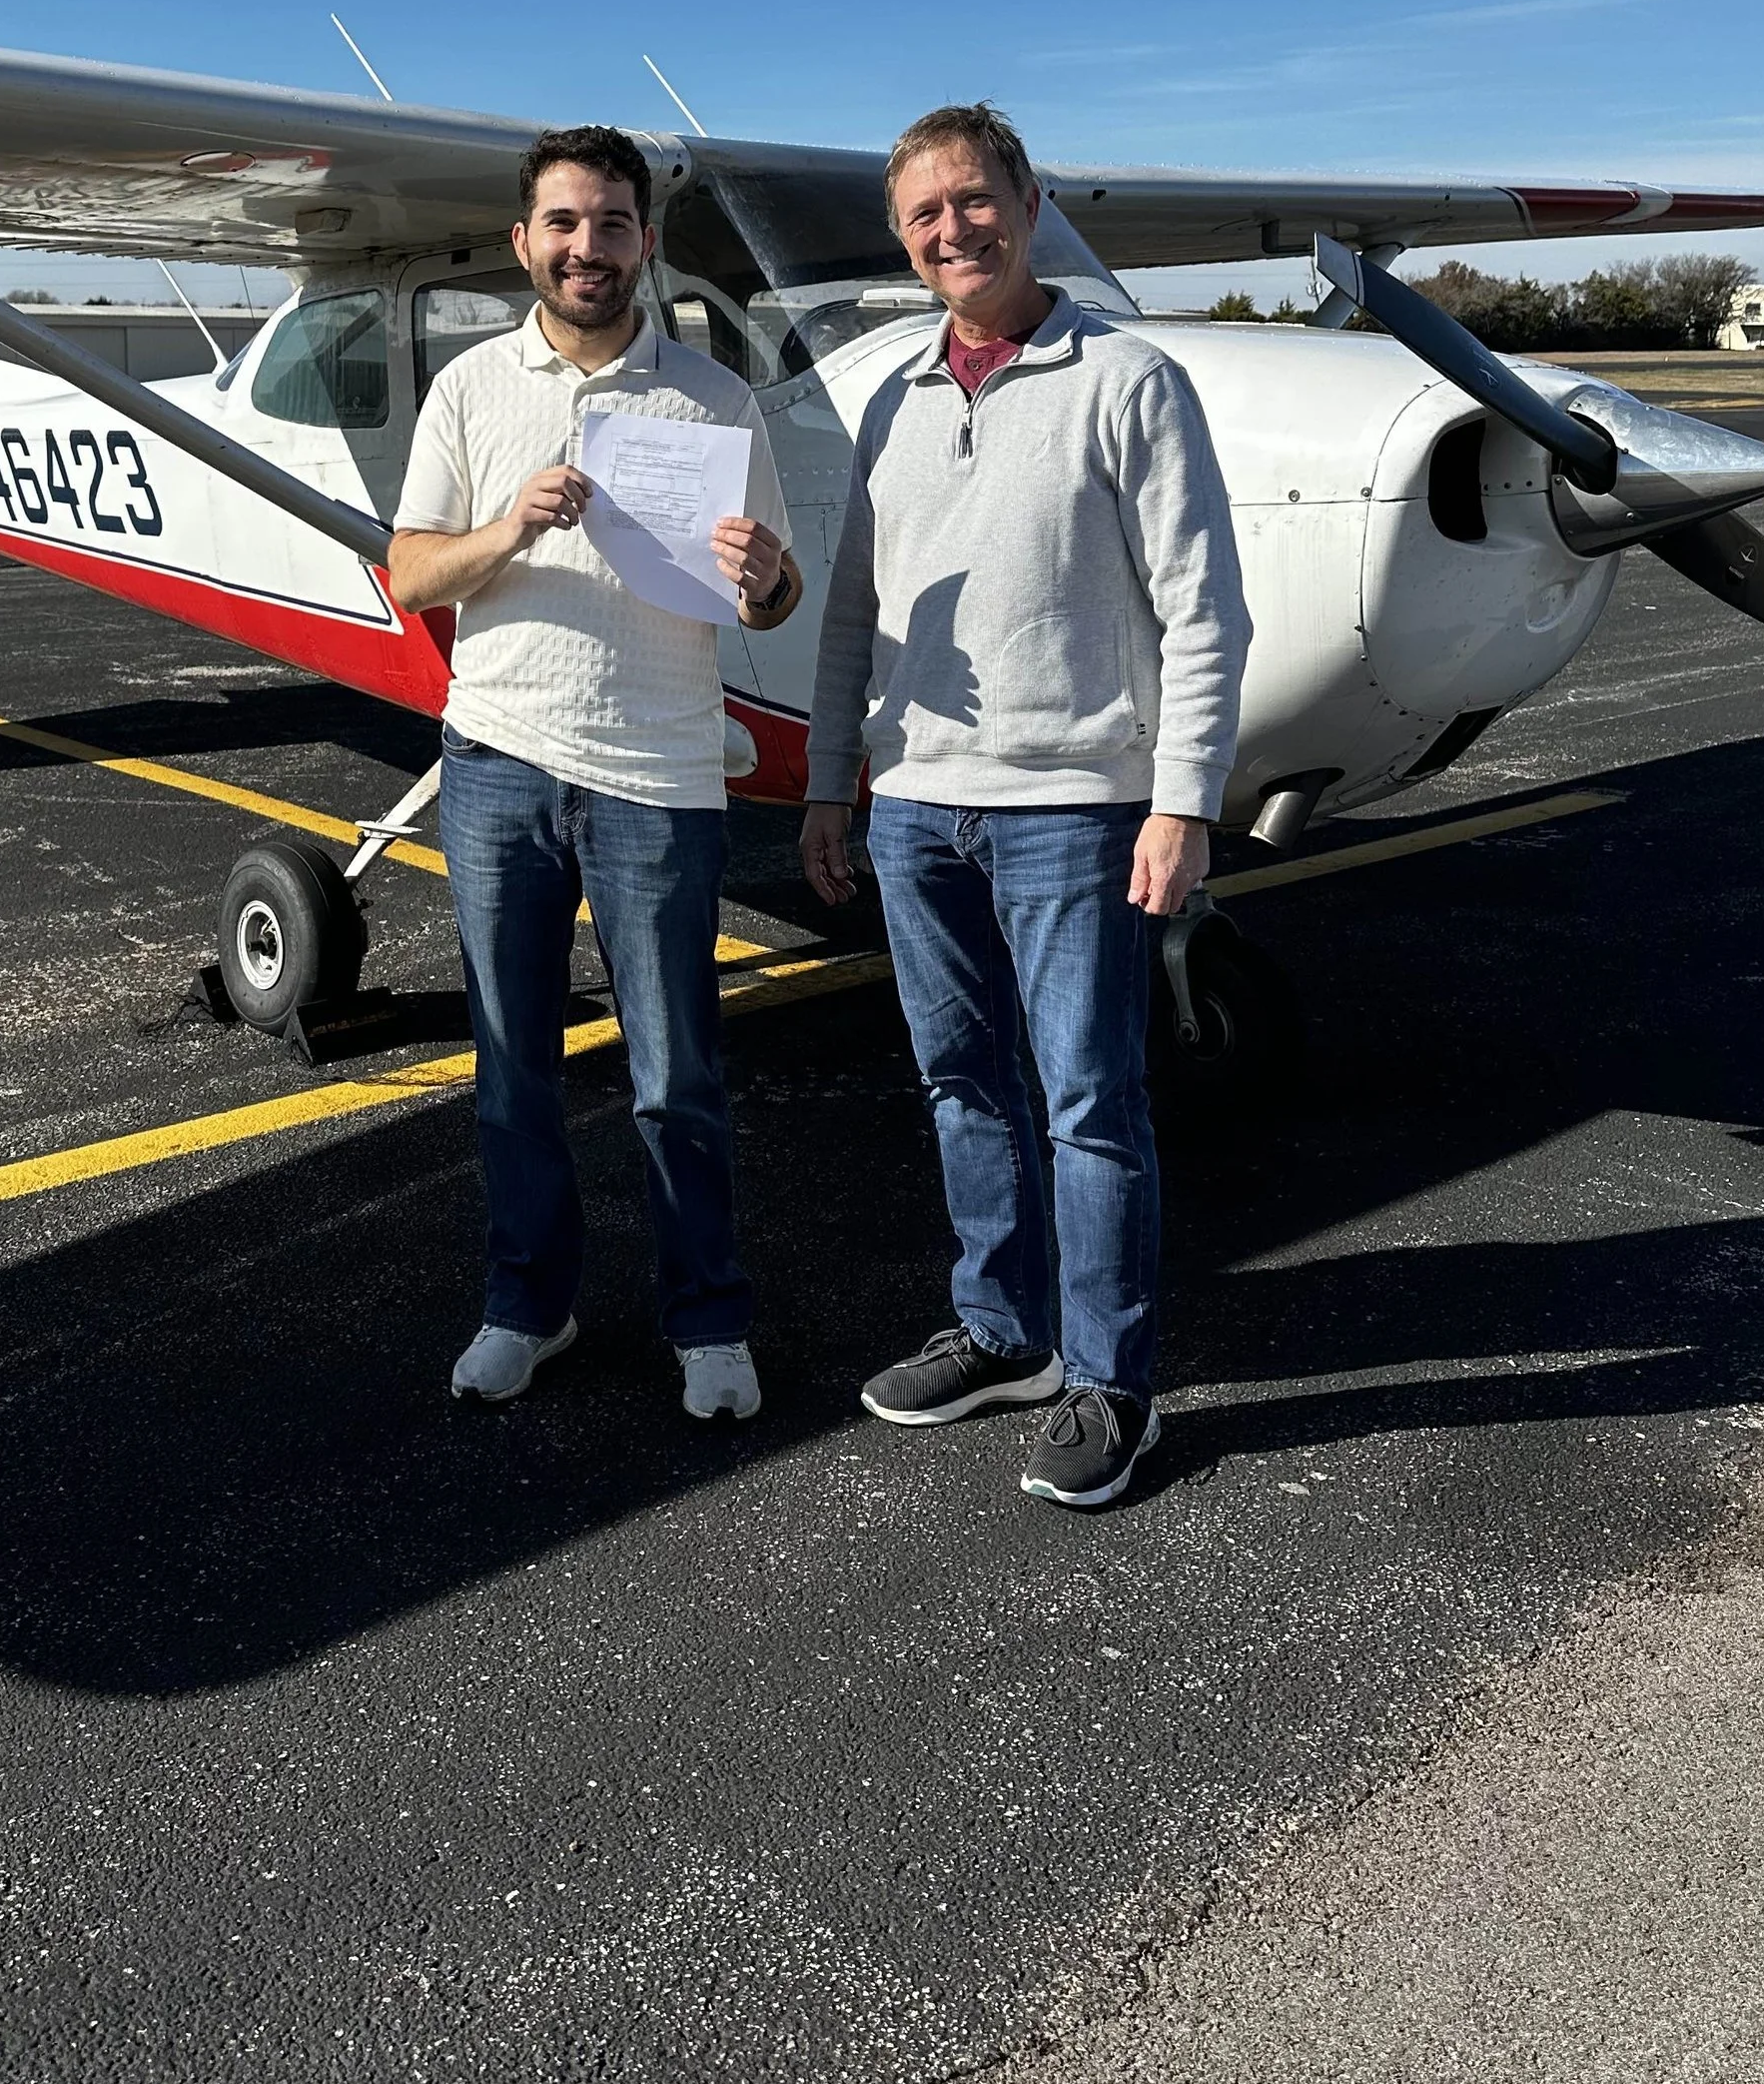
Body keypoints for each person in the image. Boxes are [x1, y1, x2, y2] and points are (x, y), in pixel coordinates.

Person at [800, 103, 1249, 1509]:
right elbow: (855, 619)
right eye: (925, 213)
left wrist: (1182, 803)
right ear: (903, 235)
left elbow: (1203, 610)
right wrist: (830, 778)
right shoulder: (893, 400)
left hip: (1074, 808)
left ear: (1028, 197)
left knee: (1092, 1103)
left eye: (975, 200)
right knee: (957, 1083)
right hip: (914, 803)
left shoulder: (1131, 379)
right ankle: (1002, 1332)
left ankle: (1113, 1381)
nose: (954, 229)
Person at [390, 125, 803, 1422]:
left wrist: (764, 577)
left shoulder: (714, 399)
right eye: (563, 224)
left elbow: (775, 596)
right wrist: (510, 523)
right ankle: (528, 1303)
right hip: (499, 762)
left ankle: (709, 1319)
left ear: (647, 242)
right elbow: (409, 573)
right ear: (525, 243)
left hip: (660, 777)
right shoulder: (468, 391)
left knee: (675, 1072)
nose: (588, 247)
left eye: (612, 223)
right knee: (514, 1067)